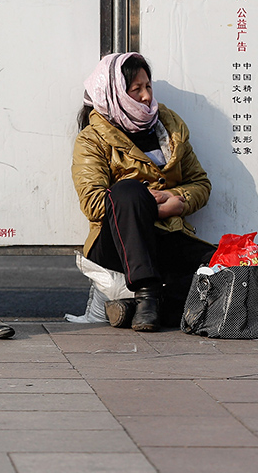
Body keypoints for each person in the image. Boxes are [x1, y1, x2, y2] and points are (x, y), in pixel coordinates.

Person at [73, 52, 214, 331]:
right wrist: (148, 204)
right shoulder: (93, 138)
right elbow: (93, 202)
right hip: (116, 243)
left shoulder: (169, 125)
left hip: (166, 234)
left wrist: (179, 201)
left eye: (148, 87)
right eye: (136, 89)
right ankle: (147, 293)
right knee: (128, 191)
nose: (146, 96)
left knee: (226, 270)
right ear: (115, 93)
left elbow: (200, 182)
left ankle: (140, 308)